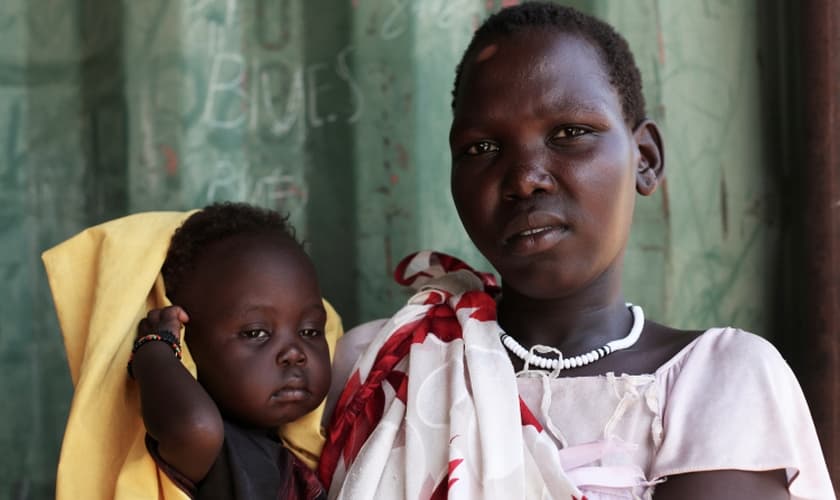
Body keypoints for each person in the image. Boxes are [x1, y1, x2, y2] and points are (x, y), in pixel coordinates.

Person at [319, 3, 834, 499]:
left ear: (646, 160)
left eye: (570, 133)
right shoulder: (381, 365)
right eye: (482, 148)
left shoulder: (720, 378)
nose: (524, 179)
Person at [130, 203, 331, 499]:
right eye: (256, 333)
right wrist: (154, 347)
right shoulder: (218, 453)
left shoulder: (307, 444)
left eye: (310, 330)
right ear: (186, 341)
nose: (294, 353)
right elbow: (195, 427)